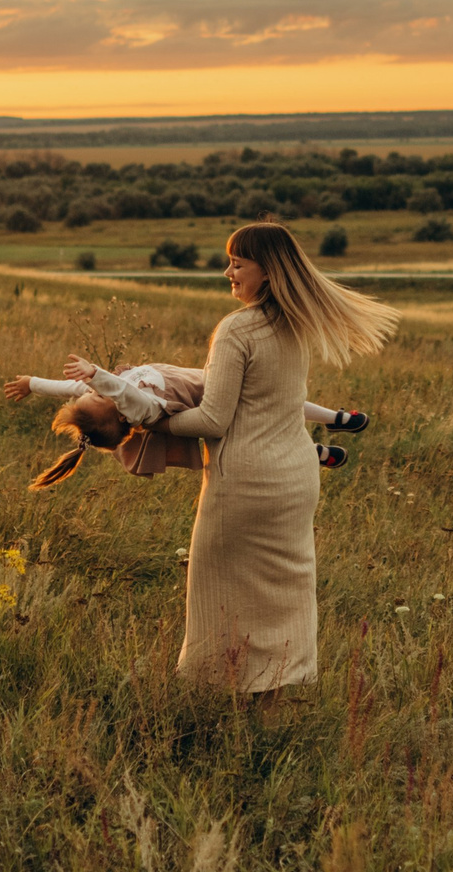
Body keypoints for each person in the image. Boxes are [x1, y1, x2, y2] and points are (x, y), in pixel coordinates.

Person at [154, 221, 397, 693]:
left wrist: (154, 422)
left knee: (218, 600)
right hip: (296, 479)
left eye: (237, 264)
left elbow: (212, 421)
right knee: (286, 597)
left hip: (245, 484)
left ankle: (216, 697)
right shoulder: (296, 325)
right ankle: (278, 693)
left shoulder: (237, 330)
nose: (228, 272)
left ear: (266, 271)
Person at [4, 359, 368, 487]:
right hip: (217, 397)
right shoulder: (141, 408)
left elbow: (71, 385)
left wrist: (32, 384)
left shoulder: (118, 396)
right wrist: (97, 375)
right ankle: (317, 450)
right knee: (273, 413)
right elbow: (116, 390)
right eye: (99, 396)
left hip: (205, 377)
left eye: (94, 390)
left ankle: (332, 423)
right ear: (118, 411)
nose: (93, 389)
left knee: (277, 405)